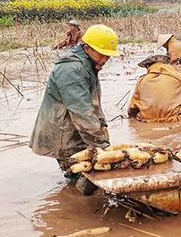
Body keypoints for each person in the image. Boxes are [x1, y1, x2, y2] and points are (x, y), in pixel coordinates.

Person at [30, 24, 119, 195]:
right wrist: (104, 148)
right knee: (81, 179)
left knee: (87, 176)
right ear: (87, 47)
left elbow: (93, 102)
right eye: (102, 54)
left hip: (75, 129)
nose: (105, 60)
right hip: (63, 132)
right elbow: (82, 113)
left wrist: (103, 124)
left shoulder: (88, 64)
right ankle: (75, 208)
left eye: (108, 56)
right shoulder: (71, 69)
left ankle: (75, 197)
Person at [127, 55, 181, 123]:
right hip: (174, 120)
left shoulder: (142, 80)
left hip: (147, 120)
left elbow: (132, 109)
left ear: (148, 67)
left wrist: (131, 119)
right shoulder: (178, 77)